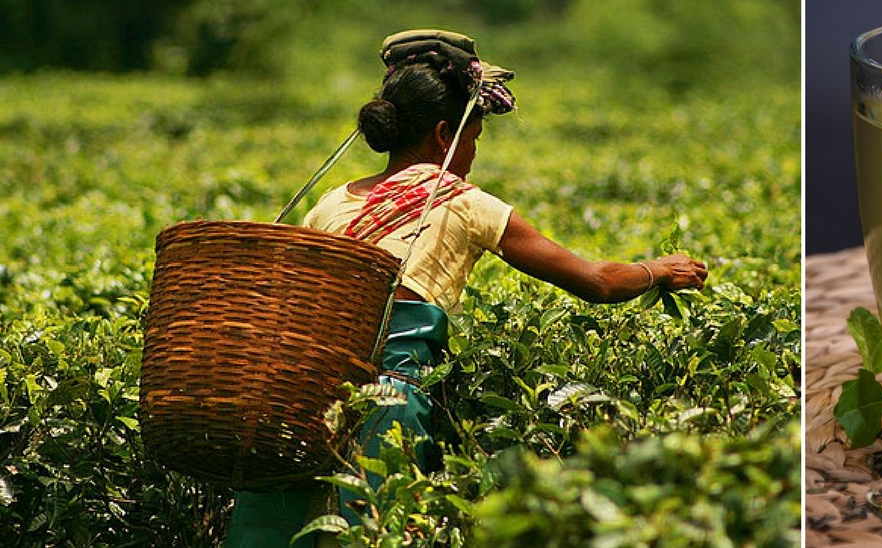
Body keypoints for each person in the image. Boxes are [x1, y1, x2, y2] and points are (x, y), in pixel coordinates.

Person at [225, 30, 708, 547]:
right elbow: (595, 282)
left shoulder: (330, 203)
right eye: (473, 137)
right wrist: (658, 270)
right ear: (442, 134)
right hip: (386, 403)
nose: (473, 153)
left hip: (297, 403)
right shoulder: (463, 202)